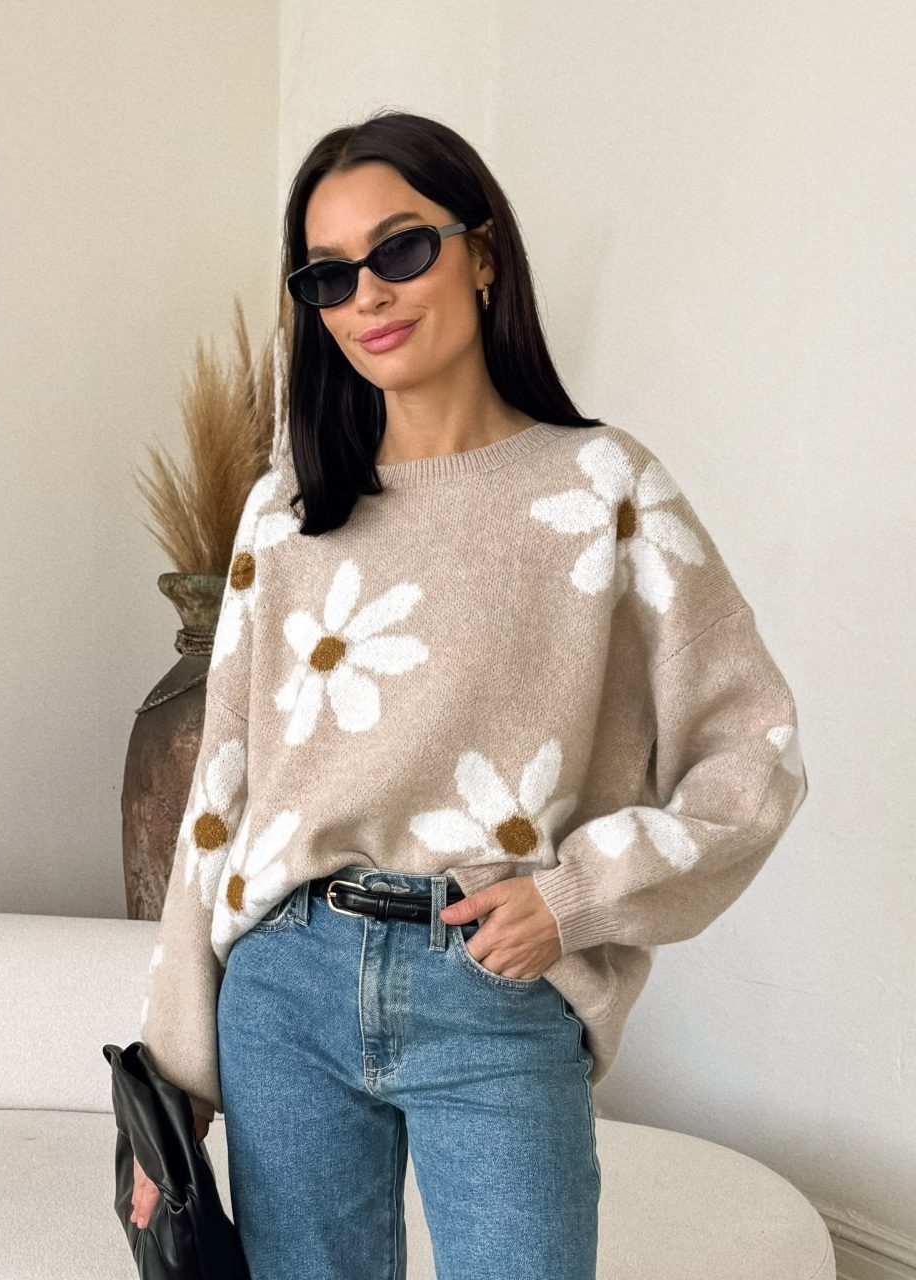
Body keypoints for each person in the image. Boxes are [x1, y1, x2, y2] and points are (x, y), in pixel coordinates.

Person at [133, 109, 807, 1279]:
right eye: (329, 275)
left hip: (494, 985)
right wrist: (175, 1070)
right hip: (285, 988)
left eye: (401, 249)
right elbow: (220, 795)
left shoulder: (603, 488)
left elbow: (756, 753)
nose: (368, 296)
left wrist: (576, 895)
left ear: (483, 252)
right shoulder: (287, 516)